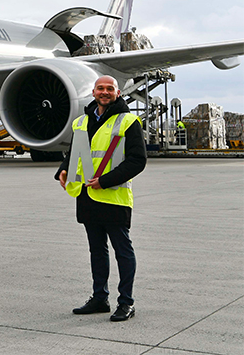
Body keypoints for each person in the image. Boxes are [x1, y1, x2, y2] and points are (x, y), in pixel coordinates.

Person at [56, 75, 146, 322]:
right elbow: (75, 152)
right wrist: (63, 169)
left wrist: (105, 181)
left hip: (114, 197)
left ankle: (126, 302)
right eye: (100, 88)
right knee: (96, 250)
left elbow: (138, 160)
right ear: (93, 92)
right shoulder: (81, 122)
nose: (104, 92)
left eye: (109, 89)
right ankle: (99, 298)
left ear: (117, 93)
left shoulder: (128, 121)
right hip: (87, 196)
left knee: (122, 251)